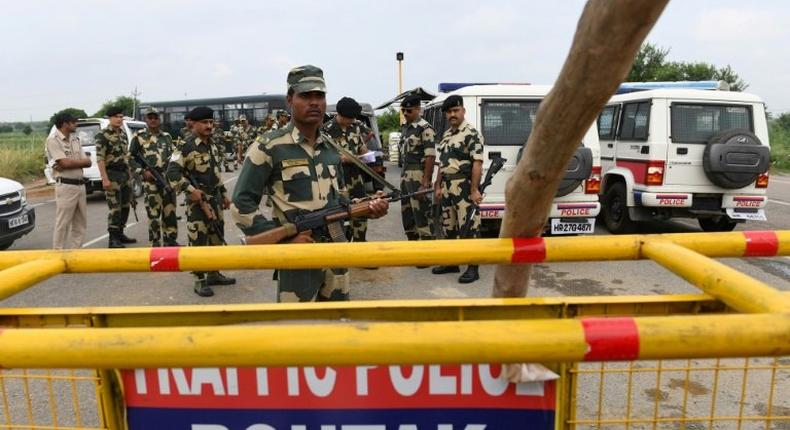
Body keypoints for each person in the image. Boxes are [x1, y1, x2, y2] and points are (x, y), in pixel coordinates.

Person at [231, 65, 388, 302]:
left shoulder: (331, 148)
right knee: (296, 330)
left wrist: (367, 208)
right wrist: (283, 241)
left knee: (336, 327)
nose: (314, 102)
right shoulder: (269, 146)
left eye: (320, 96)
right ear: (290, 100)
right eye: (305, 96)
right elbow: (241, 203)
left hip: (337, 252)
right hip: (297, 258)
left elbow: (340, 200)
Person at [167, 106, 236, 297]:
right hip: (197, 203)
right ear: (194, 124)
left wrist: (223, 193)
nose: (209, 126)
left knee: (216, 236)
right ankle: (199, 279)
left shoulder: (212, 144)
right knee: (198, 239)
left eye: (211, 122)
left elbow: (215, 172)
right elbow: (171, 172)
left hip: (214, 199)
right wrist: (190, 190)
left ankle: (214, 273)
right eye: (204, 122)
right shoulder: (185, 146)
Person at [431, 95, 484, 283]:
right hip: (446, 186)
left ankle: (473, 268)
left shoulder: (471, 133)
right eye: (449, 112)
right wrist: (437, 186)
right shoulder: (446, 135)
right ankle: (451, 262)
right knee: (448, 226)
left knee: (469, 228)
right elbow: (442, 163)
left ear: (463, 111)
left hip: (464, 186)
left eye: (456, 111)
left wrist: (474, 190)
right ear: (446, 115)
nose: (452, 114)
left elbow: (477, 163)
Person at [322, 97, 370, 243]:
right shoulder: (326, 131)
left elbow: (362, 148)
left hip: (356, 178)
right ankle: (343, 248)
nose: (351, 120)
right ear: (339, 114)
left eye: (353, 118)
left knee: (361, 210)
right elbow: (327, 158)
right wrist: (347, 159)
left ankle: (360, 246)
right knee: (340, 214)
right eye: (349, 118)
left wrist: (365, 154)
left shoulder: (355, 127)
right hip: (336, 180)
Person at [129, 107, 179, 247]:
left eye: (155, 117)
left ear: (159, 119)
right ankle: (155, 244)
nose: (153, 120)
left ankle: (170, 241)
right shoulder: (138, 137)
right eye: (150, 117)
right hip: (151, 181)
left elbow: (174, 157)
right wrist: (142, 171)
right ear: (146, 119)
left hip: (167, 180)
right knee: (153, 215)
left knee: (170, 213)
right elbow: (130, 158)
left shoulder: (167, 137)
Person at [47, 112, 90, 249]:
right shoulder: (53, 140)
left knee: (80, 222)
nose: (75, 124)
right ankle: (58, 252)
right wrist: (77, 162)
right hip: (66, 185)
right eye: (73, 122)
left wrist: (70, 162)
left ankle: (76, 252)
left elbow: (88, 162)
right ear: (65, 124)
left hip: (80, 184)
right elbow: (64, 164)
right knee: (63, 222)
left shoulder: (75, 139)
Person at [95, 106, 136, 248]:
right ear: (110, 118)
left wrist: (130, 175)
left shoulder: (123, 135)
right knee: (115, 208)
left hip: (124, 175)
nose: (119, 119)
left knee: (125, 206)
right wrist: (104, 178)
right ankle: (113, 238)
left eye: (121, 116)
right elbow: (100, 158)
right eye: (116, 117)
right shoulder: (103, 135)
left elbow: (126, 157)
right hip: (112, 175)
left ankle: (120, 233)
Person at [398, 94, 436, 246]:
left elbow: (430, 157)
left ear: (418, 109)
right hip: (405, 174)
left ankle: (427, 251)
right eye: (403, 111)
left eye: (409, 111)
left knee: (421, 214)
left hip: (418, 175)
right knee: (407, 214)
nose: (406, 114)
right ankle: (413, 247)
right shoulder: (406, 128)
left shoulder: (425, 129)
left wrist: (425, 183)